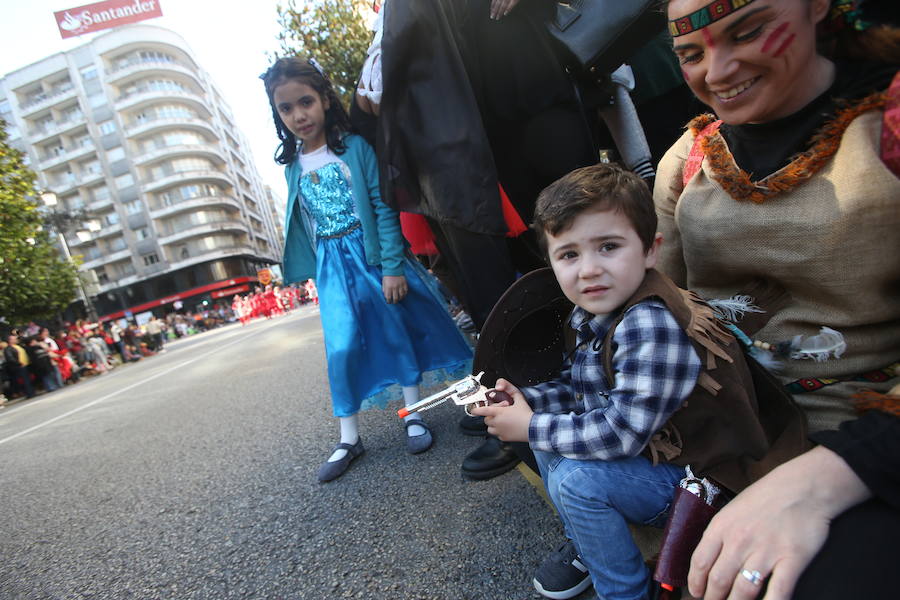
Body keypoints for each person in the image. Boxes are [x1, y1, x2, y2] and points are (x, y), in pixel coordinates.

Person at [655, 0, 900, 598]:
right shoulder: (685, 163)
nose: (717, 71)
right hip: (724, 427)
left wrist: (837, 474)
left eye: (749, 31)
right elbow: (658, 313)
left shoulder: (888, 133)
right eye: (691, 53)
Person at [472, 163, 804, 600]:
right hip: (656, 454)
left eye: (608, 247)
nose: (588, 269)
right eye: (569, 254)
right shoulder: (593, 309)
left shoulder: (648, 323)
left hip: (703, 477)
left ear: (650, 251)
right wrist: (526, 402)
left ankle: (624, 591)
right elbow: (581, 388)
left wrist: (530, 425)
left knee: (576, 478)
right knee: (553, 444)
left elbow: (620, 432)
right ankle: (590, 544)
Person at [260, 56, 472, 483]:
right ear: (278, 114)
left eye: (305, 102)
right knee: (341, 348)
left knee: (396, 330)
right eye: (286, 108)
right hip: (332, 267)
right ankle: (348, 437)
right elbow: (305, 221)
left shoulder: (354, 149)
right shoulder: (291, 166)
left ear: (323, 99)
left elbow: (382, 204)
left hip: (372, 255)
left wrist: (392, 266)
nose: (299, 115)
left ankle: (413, 415)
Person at [3, 334, 34, 399]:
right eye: (13, 339)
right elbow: (10, 358)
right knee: (24, 380)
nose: (15, 340)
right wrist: (19, 363)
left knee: (28, 379)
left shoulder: (18, 346)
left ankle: (31, 392)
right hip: (19, 366)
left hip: (25, 365)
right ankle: (29, 393)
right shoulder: (8, 349)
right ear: (9, 341)